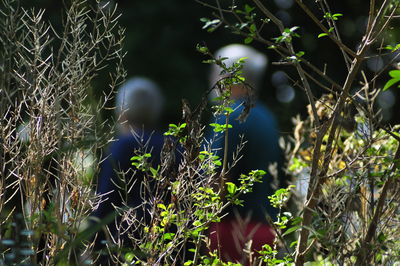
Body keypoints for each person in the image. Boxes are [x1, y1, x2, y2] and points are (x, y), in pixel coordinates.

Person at [205, 44, 285, 263]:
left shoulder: (229, 116)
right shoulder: (268, 118)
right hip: (267, 233)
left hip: (232, 234)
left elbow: (217, 180)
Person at [91, 77, 166, 264]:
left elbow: (105, 204)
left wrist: (92, 245)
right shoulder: (173, 146)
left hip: (125, 248)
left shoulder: (122, 147)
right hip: (167, 247)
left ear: (121, 112)